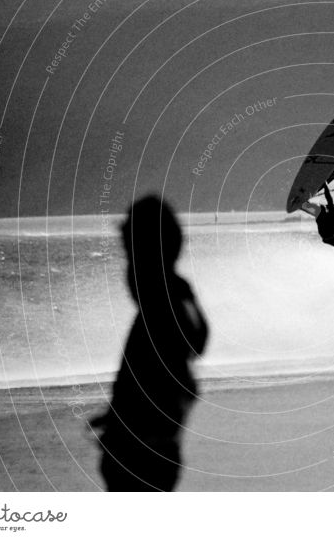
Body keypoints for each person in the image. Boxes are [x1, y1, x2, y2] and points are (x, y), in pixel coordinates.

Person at [91, 196, 208, 491]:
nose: (128, 264)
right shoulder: (176, 301)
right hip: (151, 452)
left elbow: (173, 383)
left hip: (142, 457)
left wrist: (132, 433)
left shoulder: (161, 307)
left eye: (130, 248)